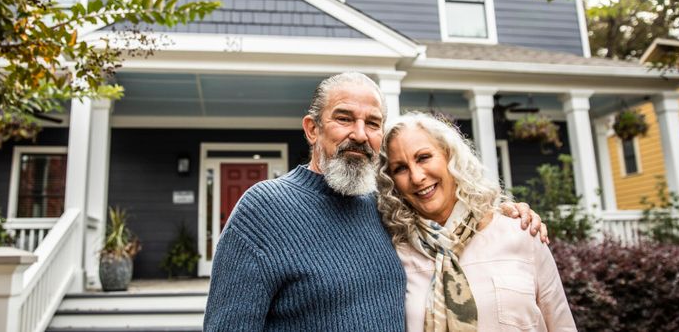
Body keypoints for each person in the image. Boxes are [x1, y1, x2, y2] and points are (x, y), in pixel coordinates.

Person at [203, 72, 546, 331]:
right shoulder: (263, 210)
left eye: (373, 123)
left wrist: (504, 213)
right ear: (312, 129)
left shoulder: (388, 206)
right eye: (343, 118)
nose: (360, 134)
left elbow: (451, 221)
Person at [377, 112, 576, 332]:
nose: (416, 177)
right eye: (400, 168)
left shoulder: (521, 232)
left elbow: (562, 325)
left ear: (449, 156)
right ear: (392, 183)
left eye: (423, 157)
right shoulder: (395, 254)